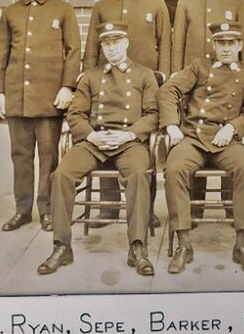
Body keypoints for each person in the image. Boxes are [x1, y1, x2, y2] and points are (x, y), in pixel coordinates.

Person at [37, 22, 158, 276]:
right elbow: (76, 113)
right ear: (101, 46)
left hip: (129, 142)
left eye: (117, 42)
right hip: (95, 141)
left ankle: (138, 247)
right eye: (107, 44)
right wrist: (92, 135)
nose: (112, 48)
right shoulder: (90, 76)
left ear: (127, 43)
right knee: (61, 175)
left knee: (138, 174)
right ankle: (61, 246)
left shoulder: (145, 75)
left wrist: (128, 134)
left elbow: (152, 115)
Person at [159, 22, 244, 274]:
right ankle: (184, 243)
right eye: (220, 43)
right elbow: (169, 89)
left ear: (239, 45)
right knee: (173, 169)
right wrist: (172, 125)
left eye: (231, 43)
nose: (226, 49)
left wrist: (233, 128)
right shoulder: (199, 67)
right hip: (194, 137)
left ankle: (242, 243)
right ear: (214, 45)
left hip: (227, 140)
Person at [0, 0, 80, 232]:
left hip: (49, 98)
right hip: (17, 97)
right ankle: (22, 209)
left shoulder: (63, 10)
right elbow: (1, 55)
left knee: (48, 156)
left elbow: (74, 51)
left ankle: (47, 210)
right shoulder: (11, 12)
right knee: (20, 155)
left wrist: (67, 87)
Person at [83, 0, 170, 223]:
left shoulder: (156, 3)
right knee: (108, 133)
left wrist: (162, 78)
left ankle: (146, 209)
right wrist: (87, 78)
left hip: (144, 85)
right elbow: (90, 48)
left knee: (145, 146)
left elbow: (165, 42)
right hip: (109, 82)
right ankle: (108, 206)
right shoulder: (103, 5)